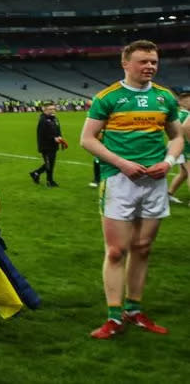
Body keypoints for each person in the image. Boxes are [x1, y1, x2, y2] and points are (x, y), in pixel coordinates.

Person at [80, 40, 184, 339]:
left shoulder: (165, 98)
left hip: (155, 181)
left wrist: (169, 160)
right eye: (143, 61)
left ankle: (135, 310)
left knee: (143, 248)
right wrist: (122, 163)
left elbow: (177, 137)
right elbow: (87, 139)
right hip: (118, 181)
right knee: (115, 251)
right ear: (125, 64)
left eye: (153, 61)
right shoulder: (108, 97)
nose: (150, 66)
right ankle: (114, 316)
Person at [29, 101, 67, 187]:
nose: (53, 110)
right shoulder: (43, 120)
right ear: (44, 110)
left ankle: (35, 173)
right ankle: (49, 181)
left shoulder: (55, 118)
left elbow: (58, 129)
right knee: (49, 164)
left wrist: (60, 137)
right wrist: (54, 138)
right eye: (50, 109)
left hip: (54, 145)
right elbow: (43, 134)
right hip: (46, 146)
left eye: (53, 109)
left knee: (50, 163)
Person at [167, 92, 190, 204]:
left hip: (181, 147)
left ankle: (169, 194)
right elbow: (185, 128)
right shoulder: (185, 115)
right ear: (181, 102)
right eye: (187, 100)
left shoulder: (179, 115)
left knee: (184, 173)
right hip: (186, 147)